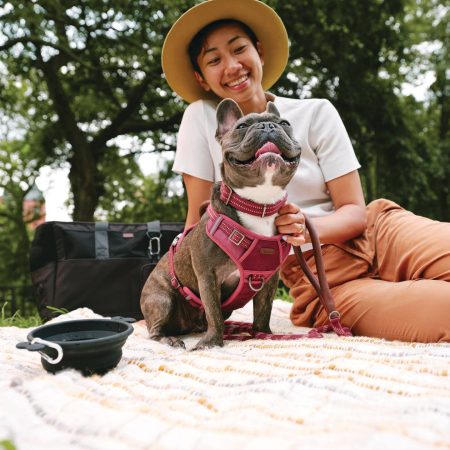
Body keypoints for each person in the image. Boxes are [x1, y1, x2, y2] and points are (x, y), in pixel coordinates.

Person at [161, 0, 450, 342]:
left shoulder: (315, 112)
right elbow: (198, 225)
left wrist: (304, 225)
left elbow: (356, 212)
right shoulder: (202, 118)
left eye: (240, 49)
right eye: (214, 60)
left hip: (382, 233)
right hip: (319, 273)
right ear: (201, 77)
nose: (232, 65)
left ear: (260, 52)